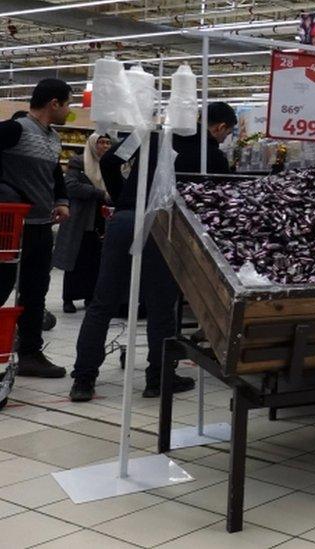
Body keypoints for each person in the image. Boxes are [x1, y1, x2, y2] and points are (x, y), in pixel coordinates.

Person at [69, 102, 237, 402]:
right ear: (220, 127)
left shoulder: (151, 135)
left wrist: (124, 199)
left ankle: (83, 379)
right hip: (164, 227)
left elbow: (108, 162)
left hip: (124, 222)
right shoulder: (213, 157)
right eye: (227, 133)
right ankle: (158, 378)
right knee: (162, 307)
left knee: (102, 303)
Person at [0, 79, 72, 378]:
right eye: (68, 103)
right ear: (53, 103)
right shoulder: (15, 129)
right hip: (12, 227)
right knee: (0, 286)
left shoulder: (53, 138)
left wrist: (62, 200)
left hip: (42, 226)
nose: (70, 111)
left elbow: (55, 175)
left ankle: (29, 352)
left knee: (35, 291)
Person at [53, 134, 113, 313]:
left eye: (108, 143)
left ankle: (89, 296)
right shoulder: (79, 162)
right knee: (75, 260)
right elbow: (70, 186)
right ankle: (68, 299)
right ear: (93, 144)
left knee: (95, 261)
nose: (105, 146)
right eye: (101, 142)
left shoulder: (109, 164)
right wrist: (100, 193)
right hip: (80, 219)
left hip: (100, 220)